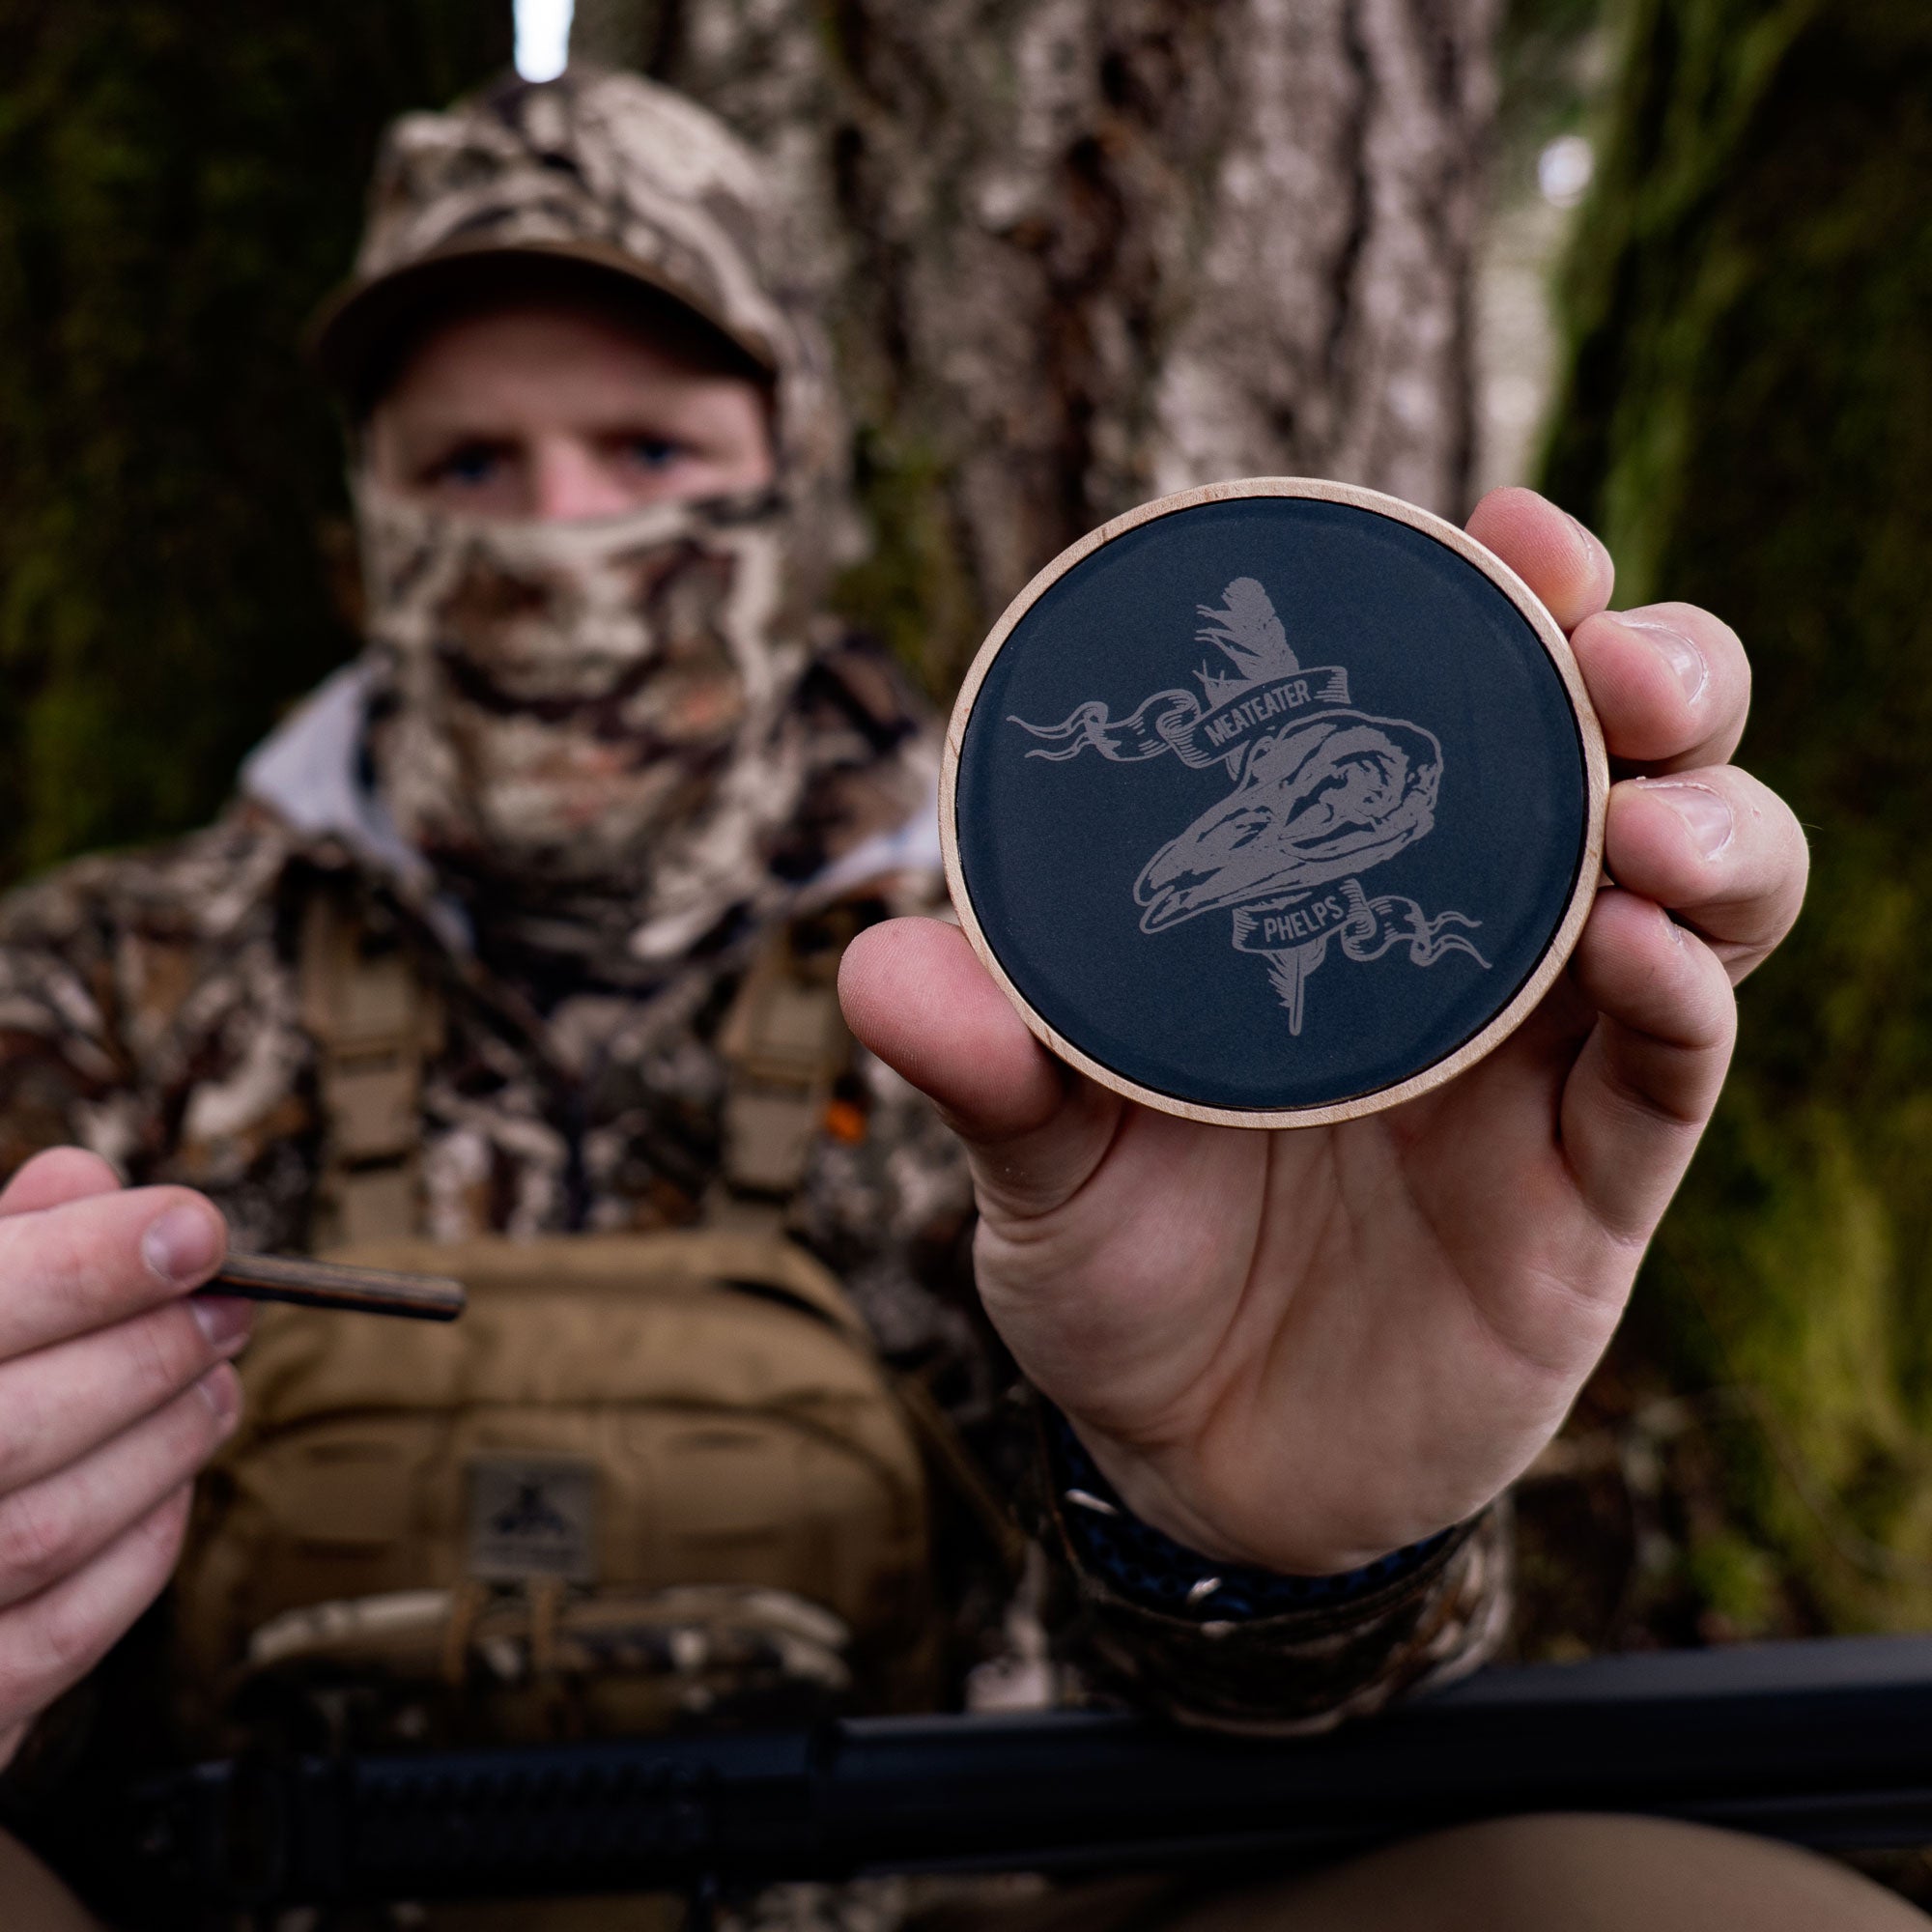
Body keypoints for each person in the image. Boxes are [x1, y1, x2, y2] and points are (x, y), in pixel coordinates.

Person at [0, 61, 1908, 1932]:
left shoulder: (1084, 993)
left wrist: (1282, 1557)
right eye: (468, 463)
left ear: (800, 497)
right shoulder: (95, 995)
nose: (556, 529)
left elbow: (1267, 1739)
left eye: (651, 451)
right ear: (353, 542)